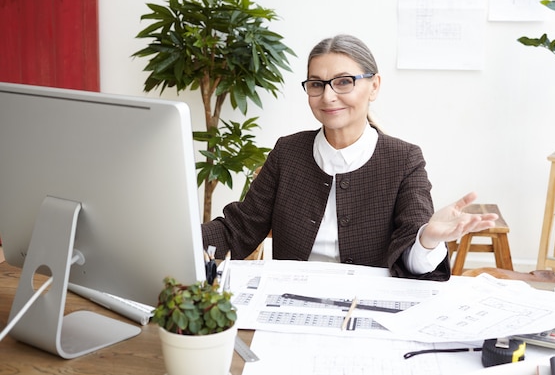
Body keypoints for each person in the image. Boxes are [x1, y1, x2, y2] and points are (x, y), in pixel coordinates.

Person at [202, 34, 497, 280]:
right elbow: (238, 230)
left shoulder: (404, 160)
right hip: (289, 302)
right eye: (316, 84)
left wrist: (427, 239)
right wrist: (177, 236)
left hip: (366, 311)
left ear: (374, 86)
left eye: (344, 82)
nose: (328, 96)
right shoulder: (287, 152)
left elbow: (411, 260)